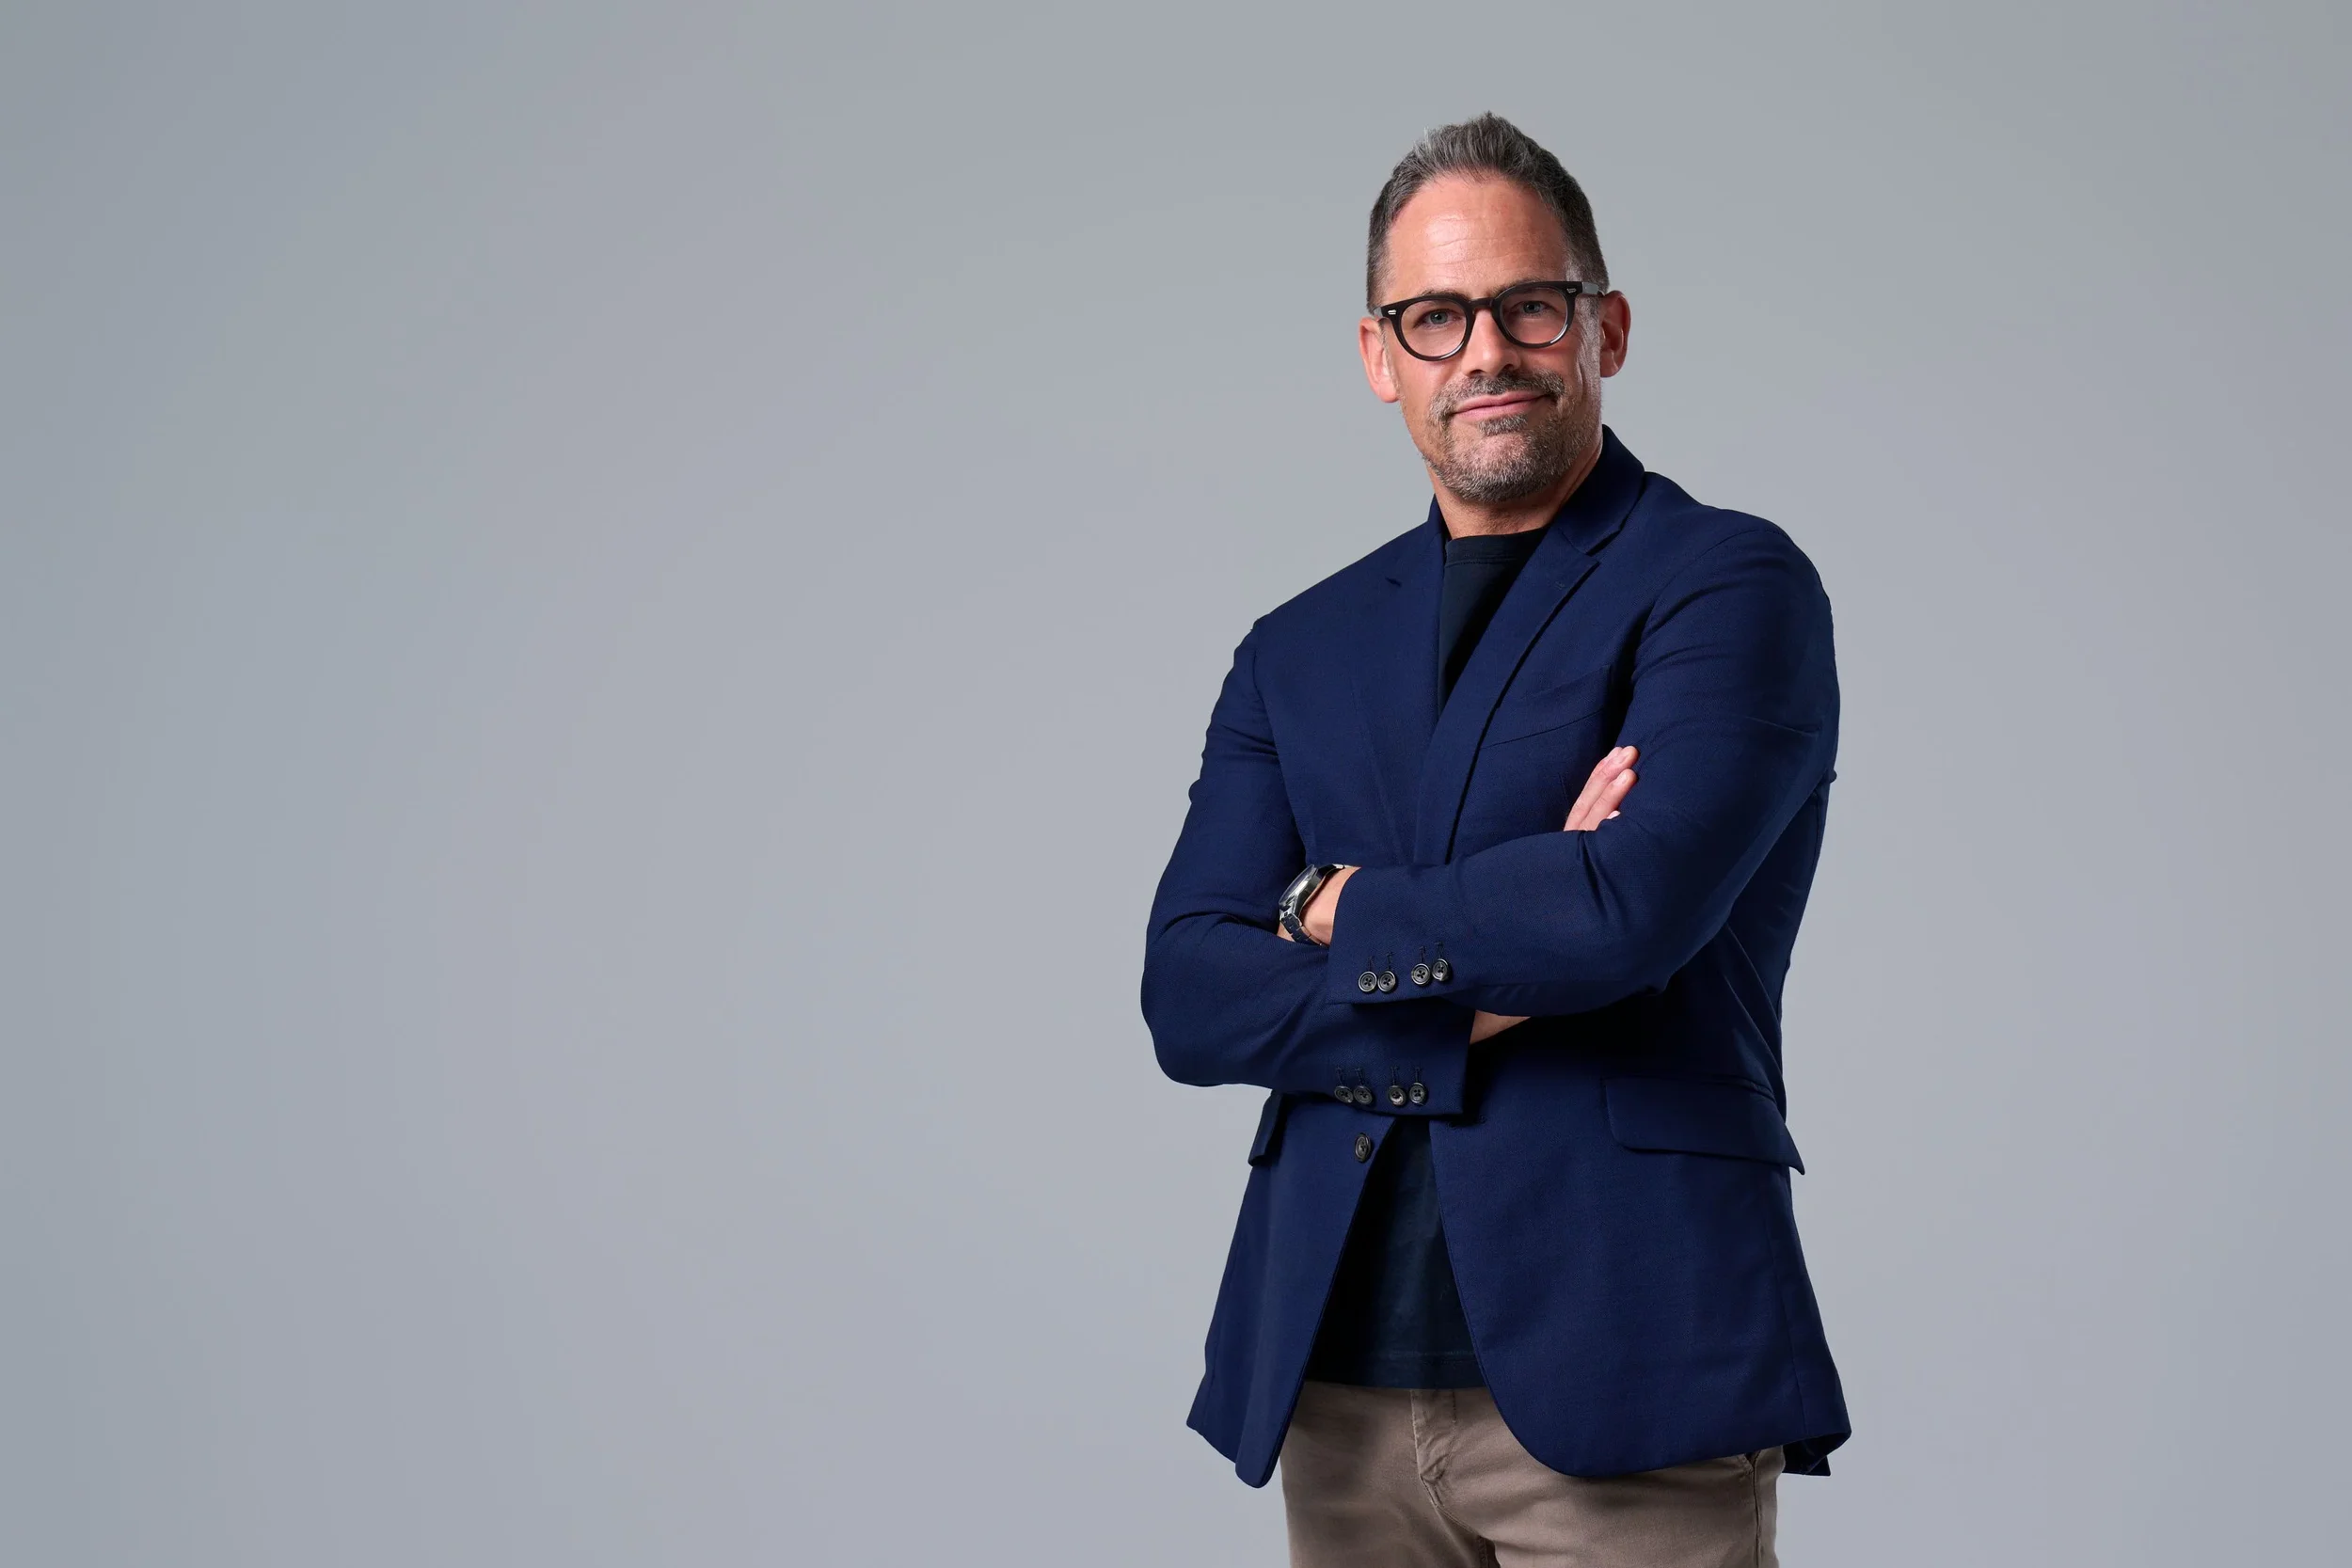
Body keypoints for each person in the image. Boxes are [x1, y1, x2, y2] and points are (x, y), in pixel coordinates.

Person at [1140, 114, 1849, 1566]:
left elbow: (1624, 912)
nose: (1487, 352)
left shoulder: (1725, 584)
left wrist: (1330, 904)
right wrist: (1505, 950)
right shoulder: (1300, 647)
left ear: (1607, 328)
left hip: (1631, 1355)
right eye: (1437, 315)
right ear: (1377, 354)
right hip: (1333, 1374)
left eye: (1532, 304)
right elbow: (1189, 990)